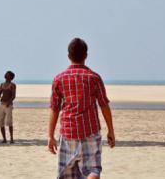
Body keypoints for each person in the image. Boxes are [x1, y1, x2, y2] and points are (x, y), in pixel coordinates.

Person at [48, 38, 116, 179]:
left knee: (66, 174)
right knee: (93, 170)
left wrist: (50, 135)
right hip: (90, 131)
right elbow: (104, 105)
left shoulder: (59, 79)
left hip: (68, 132)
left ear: (68, 56)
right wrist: (111, 130)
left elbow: (54, 108)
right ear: (86, 55)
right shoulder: (94, 78)